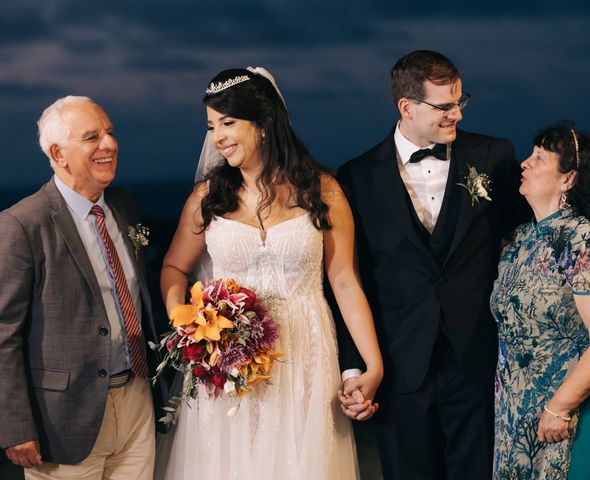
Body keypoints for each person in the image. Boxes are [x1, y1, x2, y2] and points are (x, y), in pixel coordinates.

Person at [156, 67, 383, 479]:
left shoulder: (322, 190)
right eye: (211, 126)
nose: (217, 137)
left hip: (306, 353)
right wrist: (186, 321)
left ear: (262, 124)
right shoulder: (208, 198)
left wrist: (373, 364)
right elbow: (173, 267)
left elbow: (345, 280)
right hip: (231, 362)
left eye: (228, 123)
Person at [337, 50, 527, 479]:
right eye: (444, 106)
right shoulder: (356, 178)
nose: (456, 114)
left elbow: (523, 242)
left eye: (461, 102)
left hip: (478, 358)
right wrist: (354, 367)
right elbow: (350, 281)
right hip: (400, 362)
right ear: (407, 107)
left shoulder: (494, 155)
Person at [0, 96, 168, 479]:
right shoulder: (22, 225)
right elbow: (3, 334)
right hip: (63, 419)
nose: (109, 144)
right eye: (92, 137)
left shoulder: (126, 205)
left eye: (110, 133)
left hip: (138, 400)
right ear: (58, 153)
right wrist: (15, 426)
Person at [491, 124, 590, 479]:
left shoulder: (583, 243)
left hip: (582, 411)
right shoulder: (518, 240)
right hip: (523, 411)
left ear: (568, 179)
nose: (525, 164)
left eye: (540, 157)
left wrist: (560, 407)